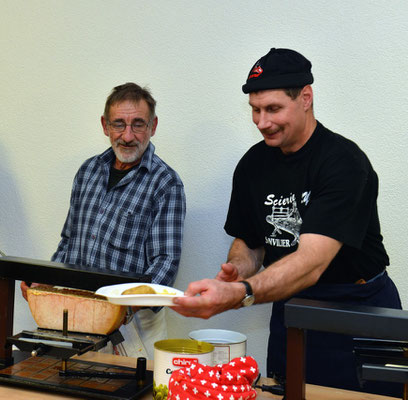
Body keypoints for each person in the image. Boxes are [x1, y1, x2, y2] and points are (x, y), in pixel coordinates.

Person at [172, 48, 402, 396]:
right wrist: (239, 268)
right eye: (255, 110)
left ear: (306, 98)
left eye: (273, 109)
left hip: (357, 311)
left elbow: (311, 264)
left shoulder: (344, 162)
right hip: (292, 311)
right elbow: (250, 242)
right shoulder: (253, 165)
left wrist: (241, 293)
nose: (262, 122)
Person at [21, 83, 186, 359]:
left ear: (153, 126)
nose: (128, 136)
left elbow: (165, 264)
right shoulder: (87, 171)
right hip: (79, 317)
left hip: (134, 329)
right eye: (119, 124)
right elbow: (69, 243)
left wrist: (123, 308)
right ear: (105, 125)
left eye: (138, 125)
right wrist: (45, 282)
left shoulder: (165, 182)